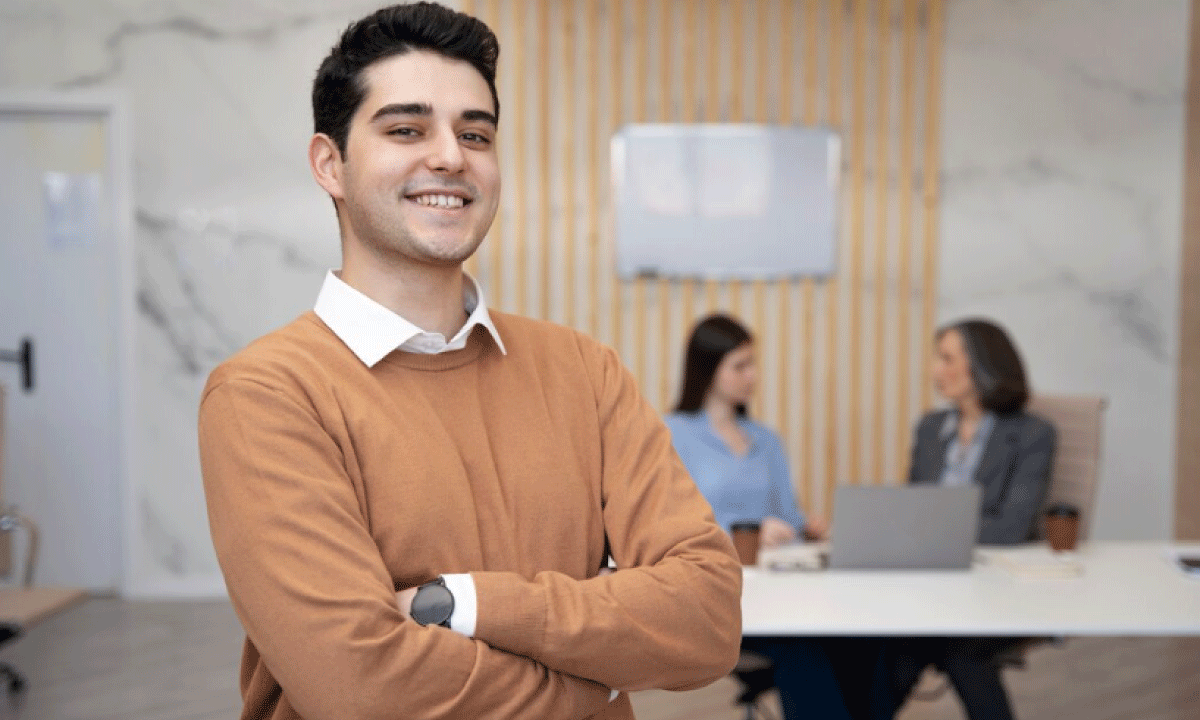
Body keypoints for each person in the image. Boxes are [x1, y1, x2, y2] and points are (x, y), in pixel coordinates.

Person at [197, 4, 742, 719]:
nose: (451, 156)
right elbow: (363, 689)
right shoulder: (265, 395)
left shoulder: (583, 369)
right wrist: (595, 683)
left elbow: (706, 616)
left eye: (475, 133)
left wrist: (463, 605)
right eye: (406, 129)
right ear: (330, 164)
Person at [664, 314, 889, 720]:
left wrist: (810, 528)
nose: (753, 375)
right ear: (708, 368)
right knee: (803, 644)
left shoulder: (767, 440)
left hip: (780, 585)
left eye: (753, 364)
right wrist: (743, 532)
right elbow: (666, 524)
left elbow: (788, 515)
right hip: (718, 592)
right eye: (740, 365)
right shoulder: (670, 434)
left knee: (863, 638)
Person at [889, 318, 1057, 720]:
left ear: (984, 366)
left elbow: (1012, 528)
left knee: (954, 648)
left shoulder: (1034, 435)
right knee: (891, 644)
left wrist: (934, 532)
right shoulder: (930, 429)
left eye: (946, 359)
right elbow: (914, 514)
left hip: (993, 586)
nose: (935, 371)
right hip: (928, 584)